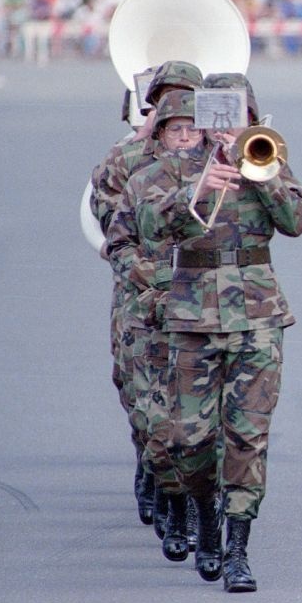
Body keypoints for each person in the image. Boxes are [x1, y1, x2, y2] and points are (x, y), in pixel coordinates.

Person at [123, 84, 302, 590]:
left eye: (241, 113)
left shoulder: (266, 158)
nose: (228, 123)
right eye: (219, 115)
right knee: (189, 440)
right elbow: (145, 226)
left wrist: (261, 174)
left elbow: (298, 220)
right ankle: (205, 515)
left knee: (248, 437)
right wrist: (199, 189)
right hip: (192, 317)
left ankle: (238, 550)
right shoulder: (170, 170)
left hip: (258, 316)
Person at [91, 60, 204, 526]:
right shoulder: (126, 160)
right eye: (168, 100)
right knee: (144, 398)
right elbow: (113, 228)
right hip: (144, 296)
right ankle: (155, 470)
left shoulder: (217, 157)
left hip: (203, 299)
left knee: (198, 408)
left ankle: (197, 505)